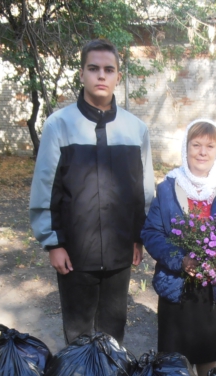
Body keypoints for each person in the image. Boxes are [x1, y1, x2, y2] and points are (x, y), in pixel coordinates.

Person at [29, 39, 154, 344]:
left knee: (113, 334)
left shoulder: (135, 130)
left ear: (118, 78)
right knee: (78, 336)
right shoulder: (59, 125)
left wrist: (140, 237)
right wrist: (53, 243)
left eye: (108, 70)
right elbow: (46, 187)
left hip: (120, 252)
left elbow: (144, 190)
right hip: (74, 252)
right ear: (82, 74)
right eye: (93, 68)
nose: (101, 76)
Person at [141, 119, 216, 376]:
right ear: (186, 148)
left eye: (210, 146)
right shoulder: (169, 187)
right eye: (196, 145)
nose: (202, 152)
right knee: (176, 365)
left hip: (215, 291)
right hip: (178, 287)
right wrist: (180, 259)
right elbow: (151, 232)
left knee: (208, 363)